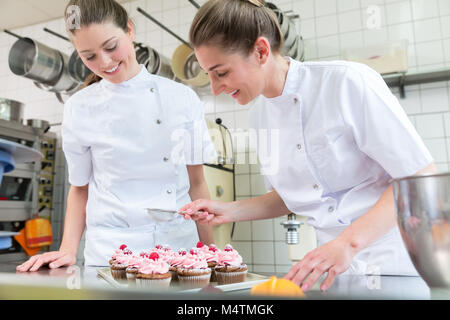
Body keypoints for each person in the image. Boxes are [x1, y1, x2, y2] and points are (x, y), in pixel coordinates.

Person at [179, 0, 436, 291]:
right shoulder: (259, 115)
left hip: (397, 262)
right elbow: (290, 195)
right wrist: (230, 210)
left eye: (221, 73)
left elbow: (418, 176)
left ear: (261, 51)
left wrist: (348, 243)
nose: (214, 88)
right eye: (208, 75)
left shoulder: (346, 82)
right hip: (332, 270)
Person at [17, 0, 215, 271]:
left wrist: (209, 251)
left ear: (129, 31)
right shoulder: (79, 107)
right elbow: (80, 189)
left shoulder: (182, 98)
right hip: (112, 255)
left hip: (178, 251)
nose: (105, 62)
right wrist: (67, 250)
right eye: (89, 56)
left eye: (111, 47)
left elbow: (197, 184)